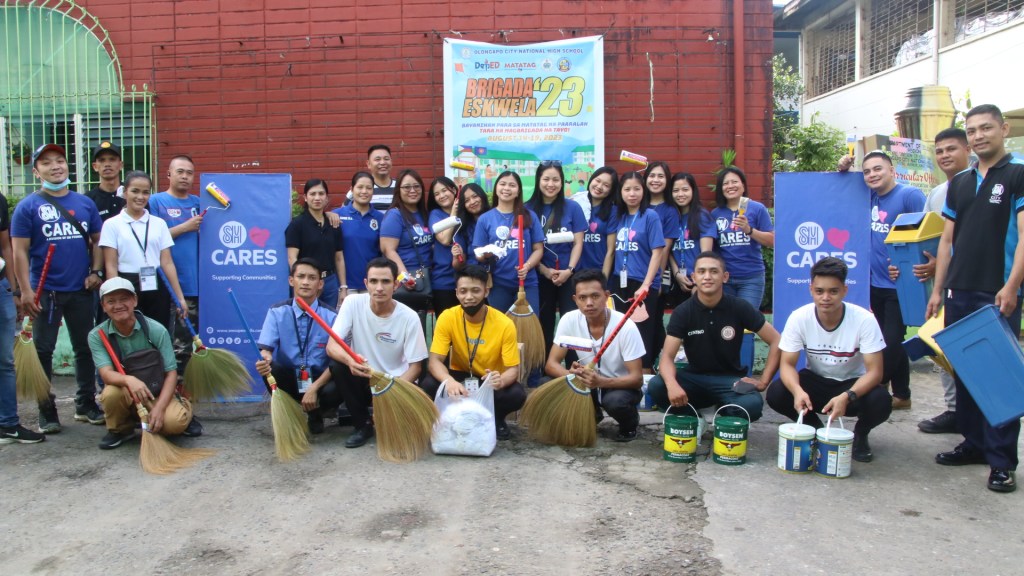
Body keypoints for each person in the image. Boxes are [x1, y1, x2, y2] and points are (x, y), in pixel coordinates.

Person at [926, 104, 1024, 493]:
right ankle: (974, 443)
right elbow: (947, 241)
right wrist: (937, 289)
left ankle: (1002, 461)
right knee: (965, 372)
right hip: (959, 290)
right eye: (973, 130)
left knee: (998, 377)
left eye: (986, 128)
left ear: (1003, 128)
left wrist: (1013, 285)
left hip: (997, 291)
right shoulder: (960, 182)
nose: (979, 135)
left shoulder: (1017, 174)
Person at [12, 144, 106, 433]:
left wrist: (96, 271)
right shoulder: (28, 206)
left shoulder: (84, 203)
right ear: (36, 171)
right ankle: (46, 409)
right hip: (45, 293)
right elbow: (19, 252)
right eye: (47, 163)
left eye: (60, 161)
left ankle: (85, 404)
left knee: (85, 348)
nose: (56, 166)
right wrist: (26, 291)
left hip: (80, 290)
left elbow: (98, 240)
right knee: (42, 350)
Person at [766, 257, 890, 463]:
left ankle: (860, 434)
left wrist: (847, 396)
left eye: (833, 291)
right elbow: (787, 364)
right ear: (811, 290)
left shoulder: (864, 320)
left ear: (844, 290)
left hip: (852, 383)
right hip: (816, 380)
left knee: (882, 401)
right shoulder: (799, 317)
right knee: (777, 393)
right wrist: (798, 392)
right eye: (819, 291)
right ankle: (816, 430)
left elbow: (875, 372)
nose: (826, 298)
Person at [648, 251, 781, 422]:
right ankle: (694, 419)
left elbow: (776, 340)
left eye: (714, 271)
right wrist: (672, 385)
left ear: (725, 277)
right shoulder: (683, 312)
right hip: (694, 378)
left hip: (729, 381)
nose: (707, 277)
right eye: (702, 272)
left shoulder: (739, 307)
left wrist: (763, 381)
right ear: (694, 277)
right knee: (657, 386)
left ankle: (724, 418)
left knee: (752, 404)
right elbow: (666, 357)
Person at [846, 150, 925, 410]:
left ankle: (875, 387)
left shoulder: (909, 195)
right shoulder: (870, 197)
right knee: (890, 339)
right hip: (874, 283)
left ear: (892, 170)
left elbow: (924, 236)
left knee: (889, 343)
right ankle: (902, 395)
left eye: (878, 169)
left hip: (899, 285)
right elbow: (845, 181)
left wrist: (908, 264)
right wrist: (844, 165)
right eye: (867, 171)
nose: (872, 175)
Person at [88, 277, 202, 450]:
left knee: (173, 424)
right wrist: (129, 380)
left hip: (156, 390)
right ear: (103, 306)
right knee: (110, 394)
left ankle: (182, 406)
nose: (118, 305)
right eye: (111, 301)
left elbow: (171, 373)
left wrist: (160, 408)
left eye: (124, 299)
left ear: (134, 301)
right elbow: (106, 373)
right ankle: (121, 429)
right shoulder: (97, 335)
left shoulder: (156, 330)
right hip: (126, 392)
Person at [327, 258, 429, 449]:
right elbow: (332, 346)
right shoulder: (352, 302)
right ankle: (362, 426)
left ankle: (390, 418)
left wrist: (390, 391)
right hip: (364, 378)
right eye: (373, 281)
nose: (379, 288)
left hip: (396, 383)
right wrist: (350, 361)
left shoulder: (410, 317)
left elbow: (416, 368)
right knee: (338, 365)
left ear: (396, 285)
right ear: (366, 284)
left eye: (386, 282)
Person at [912, 128, 971, 434]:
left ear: (968, 149)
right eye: (940, 151)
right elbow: (928, 237)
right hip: (942, 287)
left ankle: (979, 417)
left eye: (952, 149)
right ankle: (954, 411)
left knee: (972, 351)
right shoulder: (936, 194)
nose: (945, 156)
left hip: (975, 284)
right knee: (943, 348)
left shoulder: (983, 185)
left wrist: (942, 266)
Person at [422, 265, 525, 441]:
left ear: (486, 292)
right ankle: (452, 417)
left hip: (489, 379)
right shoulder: (447, 317)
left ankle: (496, 418)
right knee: (429, 384)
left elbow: (513, 370)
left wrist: (500, 381)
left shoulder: (504, 323)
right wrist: (449, 381)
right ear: (456, 293)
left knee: (516, 393)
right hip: (461, 375)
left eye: (475, 291)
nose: (469, 297)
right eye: (463, 291)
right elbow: (435, 361)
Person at [545, 269, 644, 442]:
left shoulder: (625, 326)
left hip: (617, 386)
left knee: (615, 402)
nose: (589, 303)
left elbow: (637, 379)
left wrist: (601, 382)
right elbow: (551, 365)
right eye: (582, 298)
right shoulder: (568, 320)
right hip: (586, 385)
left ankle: (629, 424)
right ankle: (593, 414)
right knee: (545, 384)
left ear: (606, 296)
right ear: (575, 300)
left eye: (595, 296)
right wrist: (573, 375)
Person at [257, 258, 344, 434]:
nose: (305, 282)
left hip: (320, 380)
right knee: (270, 368)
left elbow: (336, 359)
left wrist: (314, 388)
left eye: (312, 278)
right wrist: (265, 358)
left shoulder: (332, 317)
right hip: (290, 377)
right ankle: (289, 415)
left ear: (320, 284)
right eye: (301, 276)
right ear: (291, 280)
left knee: (342, 371)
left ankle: (316, 413)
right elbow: (266, 349)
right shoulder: (277, 312)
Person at [99, 171, 187, 336]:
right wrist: (115, 295)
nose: (140, 196)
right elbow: (111, 264)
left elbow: (167, 263)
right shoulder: (112, 224)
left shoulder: (159, 224)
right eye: (135, 191)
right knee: (129, 332)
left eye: (145, 192)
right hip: (126, 283)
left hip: (156, 283)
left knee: (158, 332)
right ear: (125, 192)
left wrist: (179, 297)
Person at [603, 171, 665, 371]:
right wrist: (604, 284)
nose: (632, 194)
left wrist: (647, 285)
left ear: (643, 191)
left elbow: (657, 252)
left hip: (643, 284)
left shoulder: (650, 216)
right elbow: (611, 251)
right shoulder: (617, 215)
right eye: (627, 189)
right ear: (620, 192)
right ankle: (621, 376)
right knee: (619, 331)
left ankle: (644, 377)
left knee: (642, 334)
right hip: (619, 282)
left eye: (637, 189)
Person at [526, 161, 586, 352]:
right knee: (543, 321)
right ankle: (543, 365)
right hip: (539, 275)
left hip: (569, 276)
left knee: (571, 320)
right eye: (546, 179)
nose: (550, 184)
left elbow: (578, 242)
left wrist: (569, 270)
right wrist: (544, 270)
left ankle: (571, 365)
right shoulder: (527, 209)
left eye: (555, 180)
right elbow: (527, 246)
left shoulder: (573, 207)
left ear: (562, 182)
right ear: (538, 181)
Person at [0, 192, 45, 444]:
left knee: (5, 361)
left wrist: (14, 289)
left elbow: (6, 246)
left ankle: (7, 424)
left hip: (1, 289)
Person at [148, 155, 203, 363]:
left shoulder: (199, 202)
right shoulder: (156, 201)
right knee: (169, 340)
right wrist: (185, 227)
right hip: (165, 284)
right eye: (180, 172)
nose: (185, 177)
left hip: (194, 285)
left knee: (188, 342)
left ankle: (183, 386)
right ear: (169, 174)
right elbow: (152, 237)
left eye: (189, 173)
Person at [472, 170, 543, 315]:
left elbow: (538, 249)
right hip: (498, 283)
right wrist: (486, 253)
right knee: (501, 327)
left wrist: (527, 266)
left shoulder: (529, 216)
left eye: (512, 185)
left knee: (528, 327)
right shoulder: (485, 219)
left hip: (527, 282)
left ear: (518, 192)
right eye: (502, 184)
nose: (506, 188)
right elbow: (478, 254)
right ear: (496, 189)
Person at [709, 166, 775, 310]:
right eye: (725, 183)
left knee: (747, 323)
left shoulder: (757, 209)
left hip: (751, 277)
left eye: (735, 182)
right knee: (727, 325)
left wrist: (749, 230)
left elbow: (773, 241)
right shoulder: (715, 213)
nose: (730, 186)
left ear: (743, 185)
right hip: (724, 279)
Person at [380, 169, 434, 321]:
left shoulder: (424, 214)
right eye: (407, 187)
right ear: (399, 191)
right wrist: (404, 276)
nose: (412, 190)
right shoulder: (395, 215)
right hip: (407, 278)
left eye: (417, 186)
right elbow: (388, 250)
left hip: (425, 277)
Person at [286, 178, 347, 309]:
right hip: (307, 281)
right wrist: (300, 281)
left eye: (321, 194)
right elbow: (292, 258)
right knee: (305, 319)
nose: (317, 198)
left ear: (326, 198)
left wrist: (343, 286)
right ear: (306, 198)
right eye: (312, 194)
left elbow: (339, 258)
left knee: (328, 321)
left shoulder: (333, 224)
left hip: (330, 281)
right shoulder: (297, 225)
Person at [664, 172, 716, 309]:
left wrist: (699, 284)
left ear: (693, 191)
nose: (680, 194)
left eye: (685, 189)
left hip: (699, 281)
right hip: (679, 281)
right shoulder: (671, 216)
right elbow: (667, 251)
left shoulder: (702, 216)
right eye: (676, 190)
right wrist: (677, 275)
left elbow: (706, 255)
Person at [335, 171, 383, 293]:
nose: (364, 191)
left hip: (372, 285)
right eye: (360, 187)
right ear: (352, 189)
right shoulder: (337, 215)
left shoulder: (380, 218)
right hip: (345, 285)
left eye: (369, 188)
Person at [575, 167, 619, 271]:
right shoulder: (576, 205)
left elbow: (611, 251)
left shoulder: (613, 211)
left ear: (611, 190)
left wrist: (603, 280)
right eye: (597, 181)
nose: (599, 187)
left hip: (598, 271)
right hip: (576, 271)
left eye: (606, 185)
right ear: (591, 179)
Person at [428, 176, 460, 314]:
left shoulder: (465, 213)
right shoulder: (435, 215)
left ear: (453, 190)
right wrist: (453, 213)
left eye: (444, 191)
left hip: (466, 280)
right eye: (436, 194)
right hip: (443, 282)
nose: (441, 196)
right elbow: (445, 239)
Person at [451, 183, 490, 270]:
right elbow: (457, 266)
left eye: (475, 196)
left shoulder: (495, 218)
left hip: (498, 275)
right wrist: (457, 256)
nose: (472, 202)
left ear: (482, 196)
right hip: (473, 275)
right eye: (467, 200)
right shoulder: (462, 227)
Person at [85, 141, 126, 222]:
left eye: (112, 159)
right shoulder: (88, 200)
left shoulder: (132, 195)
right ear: (95, 166)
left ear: (121, 165)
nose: (107, 164)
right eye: (102, 160)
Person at [366, 144, 396, 210]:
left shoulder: (401, 186)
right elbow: (344, 211)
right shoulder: (360, 187)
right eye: (377, 159)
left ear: (391, 162)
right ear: (368, 164)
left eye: (386, 159)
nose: (382, 162)